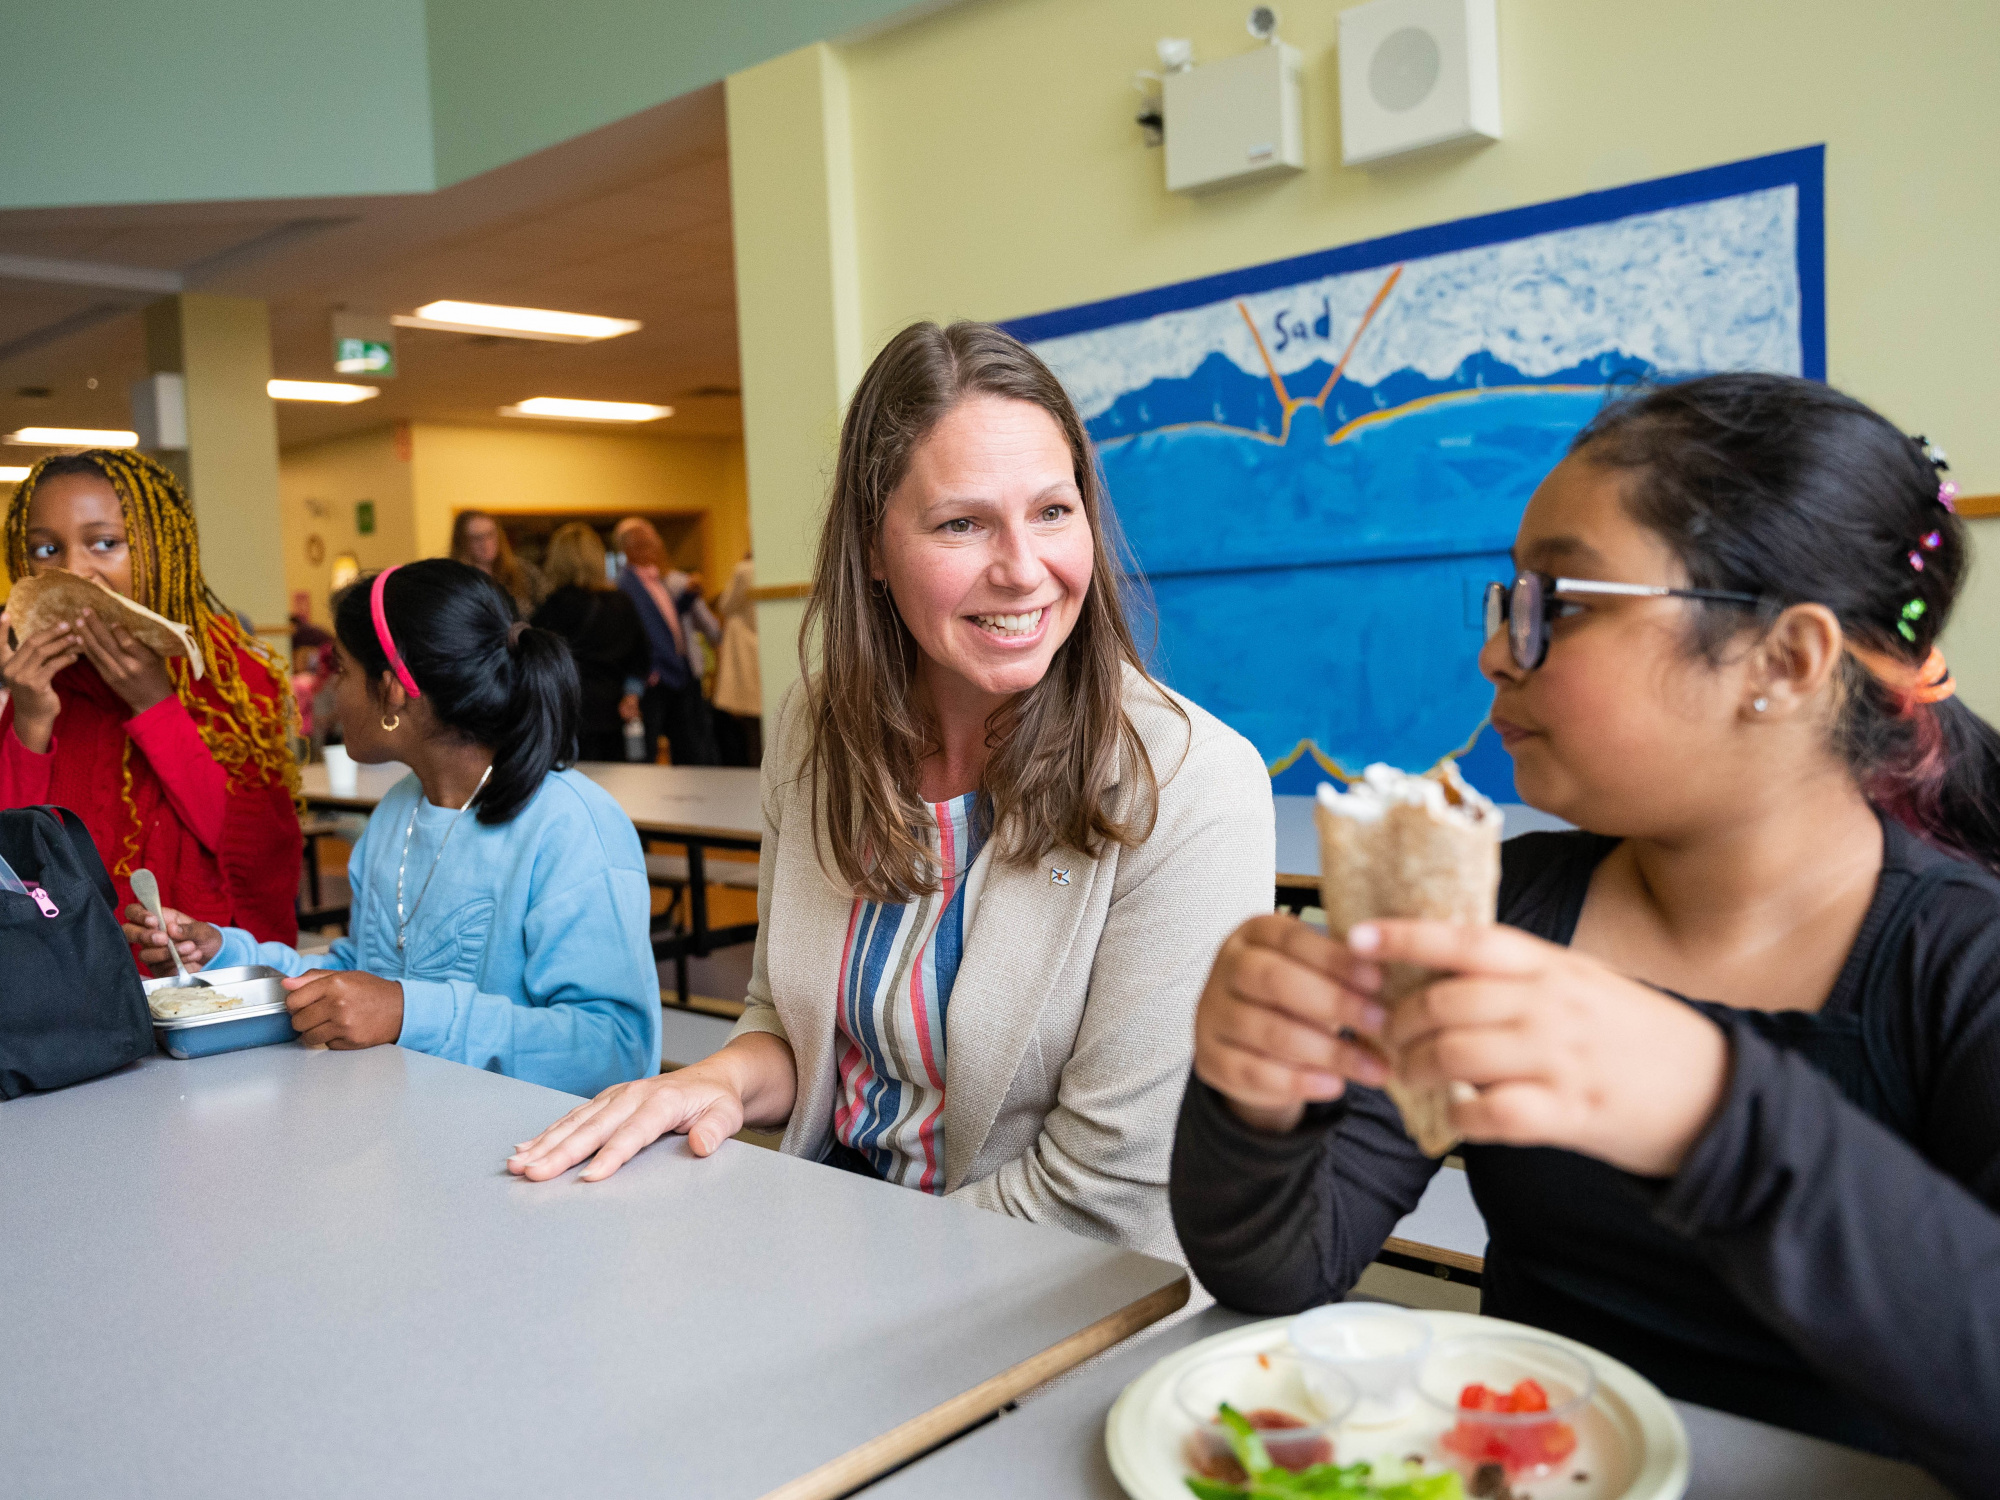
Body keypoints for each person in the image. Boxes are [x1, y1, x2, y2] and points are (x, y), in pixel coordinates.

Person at [1170, 374, 2000, 1495]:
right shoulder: (1507, 900)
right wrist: (1256, 1101)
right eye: (1505, 596)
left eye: (1553, 602)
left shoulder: (1961, 969)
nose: (1497, 653)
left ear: (1783, 663)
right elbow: (1280, 1265)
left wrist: (1711, 1111)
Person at [509, 321, 1275, 1260]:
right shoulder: (816, 731)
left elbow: (1109, 1193)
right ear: (872, 548)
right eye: (962, 523)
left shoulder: (1193, 784)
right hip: (841, 1235)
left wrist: (845, 1264)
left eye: (1052, 511)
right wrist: (712, 1083)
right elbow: (790, 1021)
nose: (1024, 569)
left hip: (1047, 1296)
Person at [122, 559, 660, 1097]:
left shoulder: (569, 825)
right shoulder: (397, 813)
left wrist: (406, 1012)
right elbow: (362, 973)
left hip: (532, 1147)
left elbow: (615, 1048)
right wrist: (225, 955)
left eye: (343, 671)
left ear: (393, 691)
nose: (332, 692)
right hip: (407, 1123)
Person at [0, 450, 301, 946]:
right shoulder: (39, 687)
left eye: (105, 543)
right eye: (46, 550)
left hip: (204, 980)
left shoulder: (230, 674)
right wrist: (31, 720)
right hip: (77, 982)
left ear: (161, 549)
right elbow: (13, 865)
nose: (74, 570)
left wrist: (155, 705)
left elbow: (255, 856)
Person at [531, 523, 649, 761]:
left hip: (568, 714)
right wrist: (631, 695)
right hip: (615, 710)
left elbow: (536, 662)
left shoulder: (552, 607)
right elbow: (642, 654)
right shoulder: (621, 603)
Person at [613, 517, 717, 765]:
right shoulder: (627, 585)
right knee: (647, 748)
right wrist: (654, 670)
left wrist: (688, 598)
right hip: (655, 677)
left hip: (676, 672)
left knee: (688, 745)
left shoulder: (656, 579)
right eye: (648, 544)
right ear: (632, 548)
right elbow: (642, 631)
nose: (655, 550)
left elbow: (665, 620)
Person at [710, 554, 761, 766]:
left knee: (750, 731)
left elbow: (725, 605)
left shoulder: (745, 570)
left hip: (745, 657)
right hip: (759, 652)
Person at [450, 510, 544, 618]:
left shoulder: (524, 571)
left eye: (490, 535)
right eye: (476, 538)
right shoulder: (454, 580)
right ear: (462, 542)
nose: (485, 543)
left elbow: (549, 606)